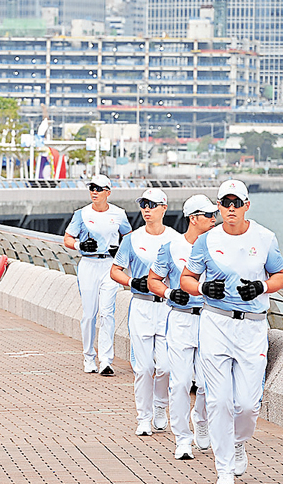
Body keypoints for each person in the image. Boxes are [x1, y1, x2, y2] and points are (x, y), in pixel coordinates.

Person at [181, 179, 283, 484]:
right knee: (219, 401)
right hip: (216, 323)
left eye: (236, 203)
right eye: (225, 203)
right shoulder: (207, 241)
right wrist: (203, 288)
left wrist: (261, 286)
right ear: (218, 206)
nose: (230, 208)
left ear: (246, 206)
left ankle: (239, 442)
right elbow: (187, 278)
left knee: (247, 404)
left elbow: (281, 275)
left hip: (253, 327)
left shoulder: (265, 238)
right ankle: (224, 469)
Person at [147, 194, 217, 460]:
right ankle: (182, 438)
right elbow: (153, 279)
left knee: (209, 382)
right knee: (180, 383)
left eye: (214, 215)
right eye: (208, 215)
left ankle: (200, 419)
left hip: (211, 318)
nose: (214, 219)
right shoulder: (171, 247)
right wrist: (168, 293)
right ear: (193, 218)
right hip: (181, 319)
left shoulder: (218, 245)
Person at [110, 188, 179, 436]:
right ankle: (143, 417)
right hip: (140, 306)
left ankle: (161, 407)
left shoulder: (175, 240)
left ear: (164, 208)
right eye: (143, 204)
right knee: (143, 367)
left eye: (152, 204)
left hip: (167, 309)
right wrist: (131, 282)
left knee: (166, 366)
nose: (147, 209)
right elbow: (116, 269)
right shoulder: (132, 239)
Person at [63, 174, 131, 375]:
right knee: (89, 315)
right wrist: (79, 245)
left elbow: (128, 236)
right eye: (92, 188)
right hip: (88, 265)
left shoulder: (119, 214)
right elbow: (67, 238)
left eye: (99, 189)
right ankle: (88, 357)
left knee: (107, 313)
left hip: (109, 266)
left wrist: (119, 249)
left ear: (108, 192)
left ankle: (106, 361)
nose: (94, 192)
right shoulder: (81, 214)